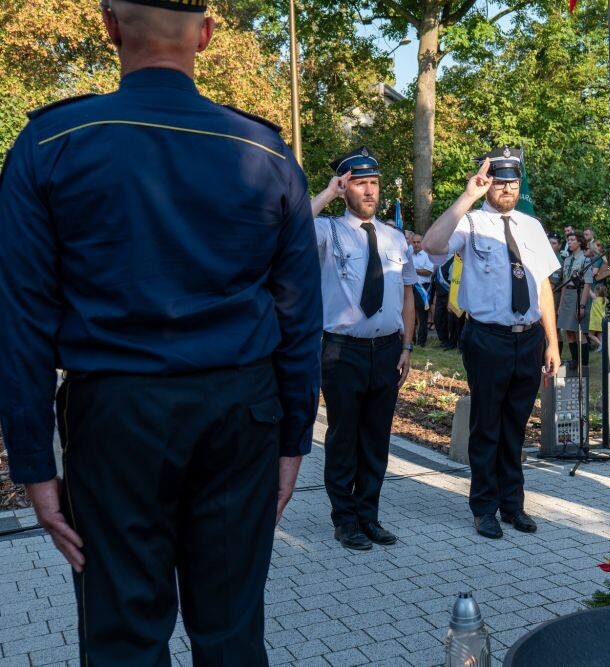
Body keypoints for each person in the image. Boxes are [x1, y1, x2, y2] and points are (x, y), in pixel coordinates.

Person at [0, 1, 323, 663]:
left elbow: (22, 318)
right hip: (242, 416)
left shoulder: (52, 143)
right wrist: (293, 441)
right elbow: (299, 315)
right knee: (232, 634)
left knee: (123, 639)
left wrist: (33, 462)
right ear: (205, 35)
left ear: (110, 26)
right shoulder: (264, 151)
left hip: (116, 418)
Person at [422, 147, 560, 540]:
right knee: (487, 424)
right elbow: (432, 246)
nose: (508, 190)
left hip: (529, 337)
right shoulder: (469, 223)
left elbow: (543, 289)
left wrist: (551, 343)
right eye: (500, 184)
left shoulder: (531, 227)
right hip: (487, 338)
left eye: (513, 184)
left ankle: (512, 504)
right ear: (488, 186)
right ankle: (484, 507)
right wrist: (468, 195)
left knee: (516, 425)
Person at [310, 147, 416, 550]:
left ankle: (368, 515)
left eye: (374, 183)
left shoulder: (393, 237)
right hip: (342, 350)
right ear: (345, 187)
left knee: (376, 437)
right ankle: (345, 519)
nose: (370, 191)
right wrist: (327, 194)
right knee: (343, 436)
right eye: (359, 184)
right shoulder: (328, 231)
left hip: (388, 350)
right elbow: (288, 229)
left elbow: (407, 294)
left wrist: (407, 344)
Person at [557, 231, 594, 368]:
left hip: (578, 295)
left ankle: (583, 363)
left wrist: (582, 306)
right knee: (568, 330)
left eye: (572, 240)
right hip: (567, 296)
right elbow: (564, 284)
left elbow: (587, 284)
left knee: (579, 331)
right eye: (568, 240)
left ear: (579, 242)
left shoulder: (585, 260)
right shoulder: (567, 260)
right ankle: (574, 360)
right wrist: (560, 305)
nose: (569, 243)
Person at [411, 233, 435, 347]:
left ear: (422, 242)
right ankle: (412, 340)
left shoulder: (427, 255)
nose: (416, 244)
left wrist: (412, 270)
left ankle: (421, 342)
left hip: (422, 289)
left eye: (418, 242)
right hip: (410, 287)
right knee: (411, 315)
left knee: (422, 317)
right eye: (414, 242)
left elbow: (428, 271)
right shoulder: (409, 254)